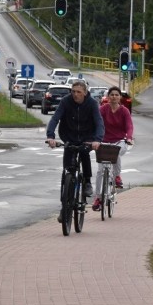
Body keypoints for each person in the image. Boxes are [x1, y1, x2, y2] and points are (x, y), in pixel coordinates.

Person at [45, 80, 104, 216]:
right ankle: (64, 205)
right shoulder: (66, 101)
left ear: (84, 92)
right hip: (69, 135)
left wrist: (97, 140)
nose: (75, 94)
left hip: (87, 137)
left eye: (78, 92)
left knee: (84, 153)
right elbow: (55, 118)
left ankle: (87, 182)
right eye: (73, 91)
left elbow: (99, 122)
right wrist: (51, 136)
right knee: (68, 170)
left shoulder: (92, 103)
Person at [92, 85, 134, 211]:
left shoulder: (124, 111)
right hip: (103, 142)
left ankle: (117, 176)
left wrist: (129, 137)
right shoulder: (103, 109)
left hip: (119, 141)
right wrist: (93, 138)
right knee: (100, 170)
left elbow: (129, 126)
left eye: (116, 95)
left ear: (120, 97)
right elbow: (96, 123)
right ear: (108, 97)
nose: (114, 97)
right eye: (112, 95)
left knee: (116, 153)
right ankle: (98, 198)